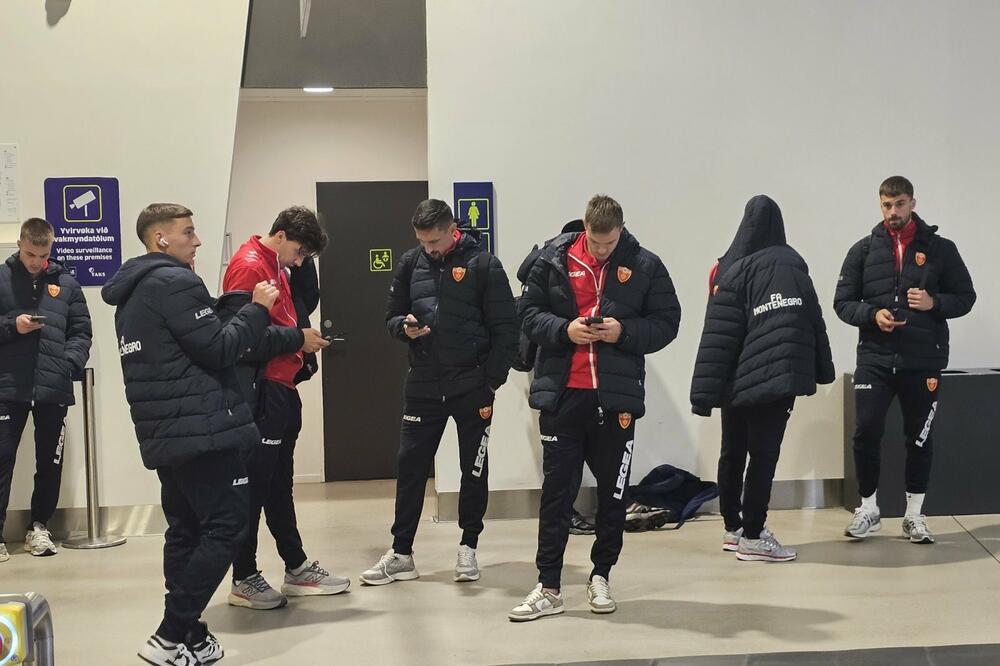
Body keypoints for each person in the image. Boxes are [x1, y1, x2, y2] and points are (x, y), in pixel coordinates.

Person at [102, 202, 278, 666]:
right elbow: (220, 349)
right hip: (204, 430)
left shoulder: (132, 293)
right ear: (161, 238)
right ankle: (169, 633)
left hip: (168, 434)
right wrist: (258, 310)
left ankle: (193, 635)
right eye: (189, 232)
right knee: (227, 527)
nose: (197, 242)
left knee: (184, 530)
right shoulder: (175, 282)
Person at [509, 194, 680, 621]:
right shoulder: (552, 260)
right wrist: (565, 330)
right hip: (562, 395)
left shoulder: (645, 265)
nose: (603, 250)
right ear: (584, 229)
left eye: (610, 242)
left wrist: (623, 332)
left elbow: (668, 322)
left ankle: (601, 575)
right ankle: (548, 586)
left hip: (616, 400)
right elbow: (527, 314)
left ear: (621, 230)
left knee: (613, 495)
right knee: (556, 494)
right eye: (596, 242)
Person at [360, 199, 516, 586]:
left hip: (472, 385)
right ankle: (400, 554)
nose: (428, 247)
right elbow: (390, 316)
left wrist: (491, 380)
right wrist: (404, 327)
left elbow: (507, 330)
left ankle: (468, 547)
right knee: (410, 467)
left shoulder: (484, 265)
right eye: (422, 240)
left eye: (434, 240)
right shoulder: (411, 263)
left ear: (451, 229)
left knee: (473, 469)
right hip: (424, 382)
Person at [690, 195, 835, 562]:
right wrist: (823, 368)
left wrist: (704, 392)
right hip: (777, 379)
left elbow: (718, 335)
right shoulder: (792, 263)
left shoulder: (728, 269)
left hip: (735, 382)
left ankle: (733, 529)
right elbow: (812, 320)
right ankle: (754, 536)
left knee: (733, 450)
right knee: (764, 455)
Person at [835, 176, 975, 544]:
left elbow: (966, 296)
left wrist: (934, 304)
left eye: (899, 204)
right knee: (866, 431)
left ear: (912, 202)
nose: (892, 212)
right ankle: (868, 509)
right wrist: (871, 315)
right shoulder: (862, 250)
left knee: (919, 438)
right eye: (886, 205)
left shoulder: (941, 249)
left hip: (922, 360)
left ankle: (914, 515)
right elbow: (842, 302)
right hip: (875, 360)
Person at [223, 206, 347, 611]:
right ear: (278, 235)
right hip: (261, 391)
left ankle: (295, 567)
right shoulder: (247, 266)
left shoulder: (277, 266)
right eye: (297, 252)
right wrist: (298, 338)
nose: (298, 261)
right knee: (255, 488)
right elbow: (240, 341)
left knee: (278, 486)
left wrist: (300, 341)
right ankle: (243, 577)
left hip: (282, 387)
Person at [0, 217, 92, 562]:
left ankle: (39, 527)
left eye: (43, 254)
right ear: (20, 246)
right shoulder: (2, 278)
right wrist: (13, 325)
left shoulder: (66, 283)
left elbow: (81, 331)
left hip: (53, 388)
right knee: (2, 459)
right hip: (9, 386)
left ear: (51, 248)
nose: (36, 261)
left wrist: (69, 363)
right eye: (29, 254)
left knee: (50, 462)